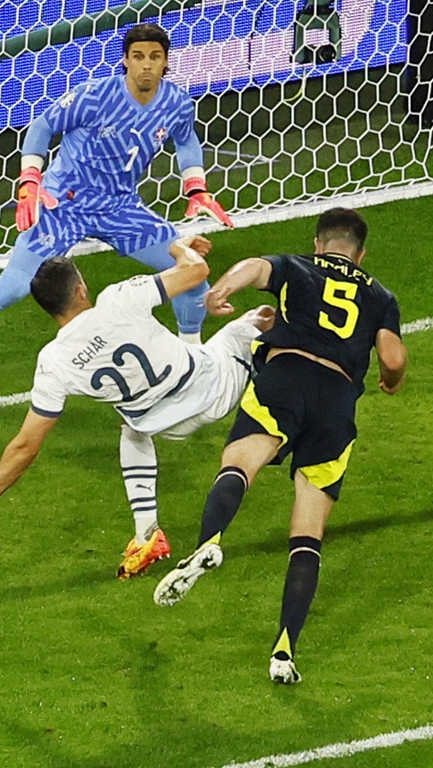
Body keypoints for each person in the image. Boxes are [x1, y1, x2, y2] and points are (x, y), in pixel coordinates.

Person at [0, 22, 233, 397]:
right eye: (138, 57)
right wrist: (29, 181)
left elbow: (186, 140)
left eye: (155, 57)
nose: (146, 66)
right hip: (63, 204)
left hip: (120, 208)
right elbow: (42, 127)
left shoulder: (177, 103)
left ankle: (193, 362)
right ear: (125, 60)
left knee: (191, 274)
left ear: (167, 62)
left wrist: (196, 186)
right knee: (13, 286)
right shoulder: (93, 96)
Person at [152, 208, 408, 685]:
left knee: (240, 463)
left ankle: (209, 542)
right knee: (307, 534)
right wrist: (392, 379)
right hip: (336, 404)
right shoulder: (381, 295)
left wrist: (225, 287)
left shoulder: (299, 265)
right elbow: (391, 356)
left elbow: (254, 265)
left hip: (286, 377)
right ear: (362, 253)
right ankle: (284, 651)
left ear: (318, 243)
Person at [0, 238, 273, 579]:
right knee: (254, 321)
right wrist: (178, 246)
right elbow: (196, 270)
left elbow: (25, 445)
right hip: (214, 387)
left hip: (164, 424)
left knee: (131, 428)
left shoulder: (53, 362)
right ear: (81, 289)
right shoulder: (119, 299)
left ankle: (147, 533)